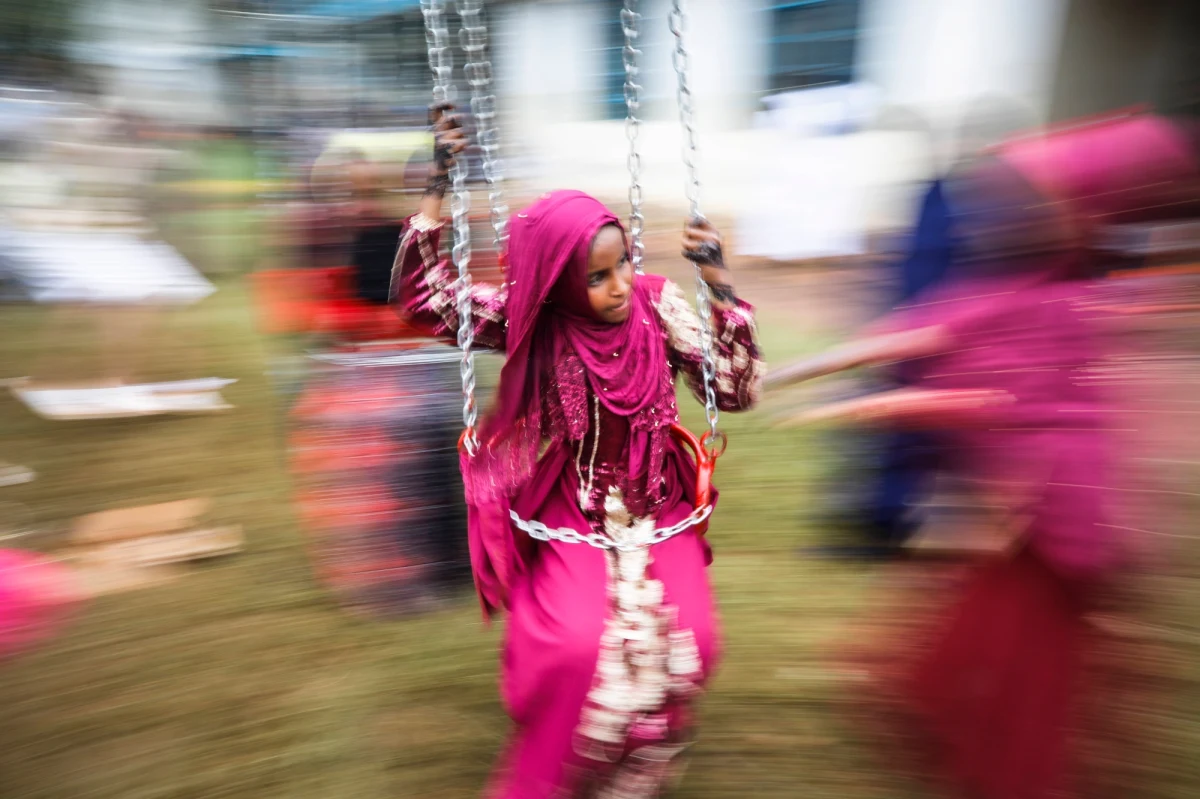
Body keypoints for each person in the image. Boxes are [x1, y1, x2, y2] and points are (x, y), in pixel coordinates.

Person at [391, 104, 763, 797]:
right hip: (573, 508)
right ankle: (559, 763)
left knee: (694, 642)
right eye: (597, 276)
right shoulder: (532, 319)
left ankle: (640, 754)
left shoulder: (658, 304)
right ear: (560, 280)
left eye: (622, 263)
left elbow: (735, 391)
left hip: (658, 501)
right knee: (575, 648)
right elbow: (422, 298)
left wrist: (719, 285)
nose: (620, 284)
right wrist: (438, 181)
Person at [767, 154, 1126, 799]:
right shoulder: (1041, 294)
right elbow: (912, 342)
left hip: (1052, 511)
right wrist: (793, 380)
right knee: (994, 620)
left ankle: (993, 749)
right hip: (1047, 503)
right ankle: (948, 713)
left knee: (1025, 642)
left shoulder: (1029, 302)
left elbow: (957, 390)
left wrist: (833, 401)